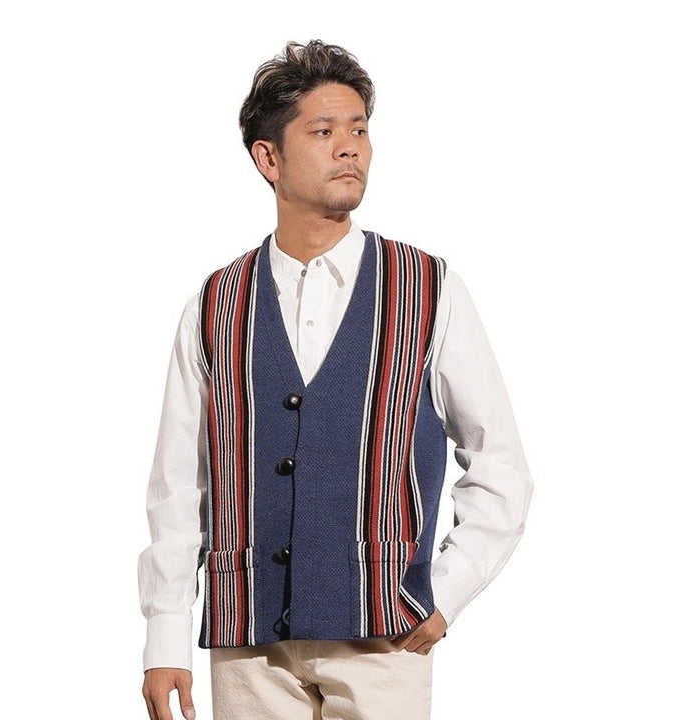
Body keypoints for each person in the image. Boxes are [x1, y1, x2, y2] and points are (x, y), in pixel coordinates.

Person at [138, 39, 534, 720]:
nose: (350, 147)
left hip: (386, 640)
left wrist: (446, 591)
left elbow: (500, 462)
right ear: (269, 158)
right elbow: (179, 483)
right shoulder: (214, 303)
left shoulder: (428, 287)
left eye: (359, 130)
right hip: (248, 643)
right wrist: (165, 636)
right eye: (323, 132)